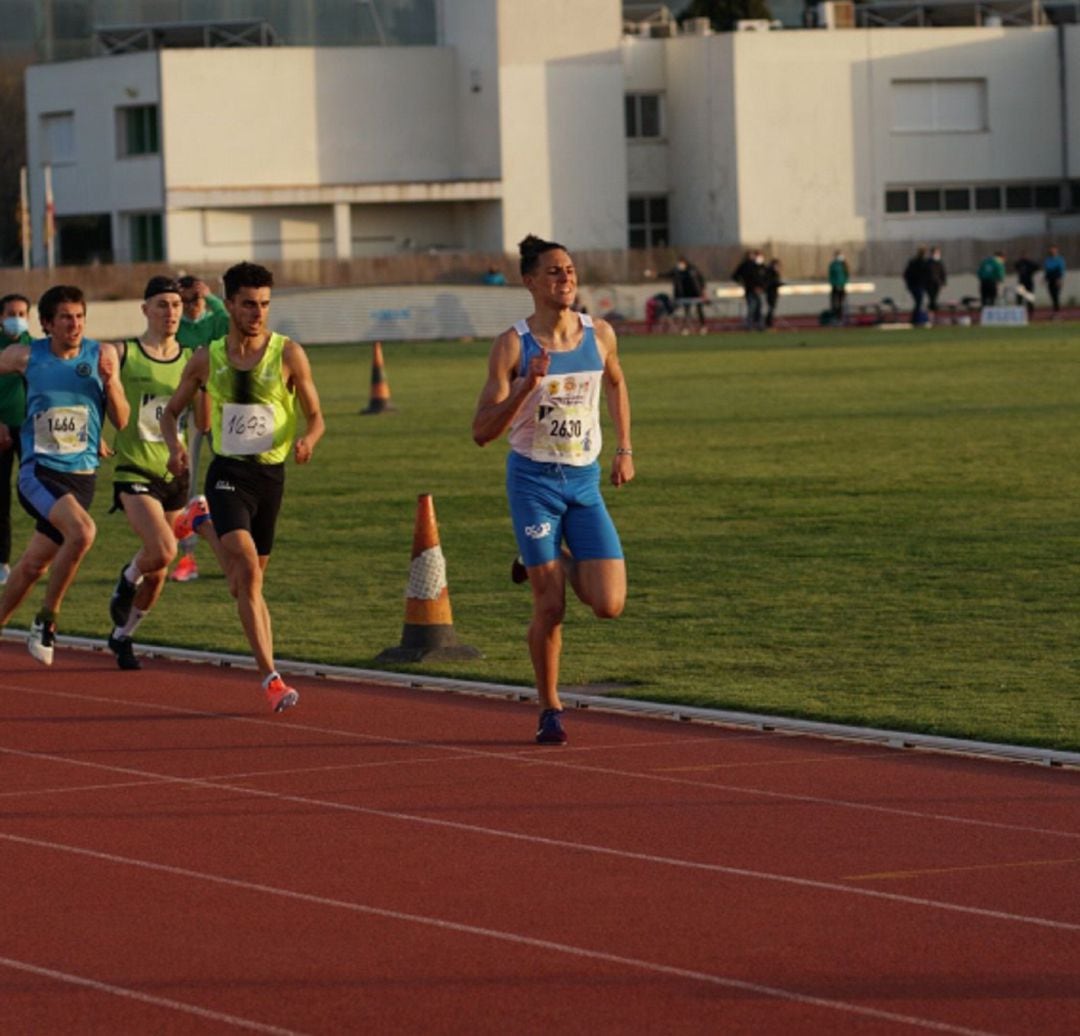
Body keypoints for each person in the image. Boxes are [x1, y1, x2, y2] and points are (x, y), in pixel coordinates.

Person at [471, 234, 634, 746]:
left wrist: (624, 448)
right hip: (534, 482)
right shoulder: (514, 345)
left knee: (609, 604)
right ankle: (549, 707)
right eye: (554, 272)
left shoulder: (599, 333)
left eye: (570, 270)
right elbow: (481, 431)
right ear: (530, 282)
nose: (566, 279)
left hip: (584, 482)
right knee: (551, 606)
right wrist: (525, 386)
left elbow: (615, 381)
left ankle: (546, 557)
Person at [161, 261, 325, 714]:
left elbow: (316, 417)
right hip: (228, 473)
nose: (258, 313)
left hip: (270, 479)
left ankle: (200, 523)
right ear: (229, 303)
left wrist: (309, 440)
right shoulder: (206, 358)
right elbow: (171, 412)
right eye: (249, 304)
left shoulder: (288, 353)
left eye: (265, 305)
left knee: (242, 586)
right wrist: (176, 448)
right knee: (248, 569)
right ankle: (271, 677)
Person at [0, 285, 129, 664]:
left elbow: (121, 419)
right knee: (84, 531)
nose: (74, 325)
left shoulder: (102, 355)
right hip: (39, 472)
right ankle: (47, 619)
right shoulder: (25, 356)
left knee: (31, 566)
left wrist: (111, 382)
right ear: (47, 325)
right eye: (65, 318)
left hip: (82, 476)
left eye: (79, 317)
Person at [104, 276, 204, 671]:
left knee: (160, 573)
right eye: (162, 305)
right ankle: (126, 580)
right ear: (145, 309)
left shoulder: (190, 359)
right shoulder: (126, 354)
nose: (171, 312)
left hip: (174, 475)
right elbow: (99, 387)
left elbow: (203, 420)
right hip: (134, 469)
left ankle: (122, 635)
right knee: (164, 549)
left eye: (177, 305)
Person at [172, 275, 230, 583]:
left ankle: (234, 553)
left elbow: (227, 319)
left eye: (198, 298)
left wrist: (212, 298)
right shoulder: (177, 327)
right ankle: (187, 556)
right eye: (187, 300)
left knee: (231, 482)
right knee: (187, 483)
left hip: (220, 408)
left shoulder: (216, 320)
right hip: (186, 410)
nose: (194, 305)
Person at [0, 293, 32, 586]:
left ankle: (43, 554)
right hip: (1, 426)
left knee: (37, 491)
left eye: (22, 313)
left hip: (29, 428)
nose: (17, 318)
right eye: (12, 313)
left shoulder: (34, 346)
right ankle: (2, 561)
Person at [665, 256, 708, 333]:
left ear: (685, 263)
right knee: (687, 312)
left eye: (681, 263)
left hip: (696, 293)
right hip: (685, 295)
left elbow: (701, 280)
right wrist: (656, 274)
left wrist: (703, 292)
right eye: (679, 263)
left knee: (699, 310)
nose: (680, 265)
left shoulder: (693, 270)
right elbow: (667, 274)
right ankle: (686, 328)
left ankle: (703, 327)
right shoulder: (677, 271)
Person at [731, 250, 767, 331]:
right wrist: (745, 284)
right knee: (752, 307)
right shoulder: (746, 266)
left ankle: (758, 325)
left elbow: (763, 277)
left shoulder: (758, 266)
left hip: (756, 289)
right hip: (751, 290)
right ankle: (751, 325)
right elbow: (736, 277)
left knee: (758, 307)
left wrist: (761, 287)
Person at [1014, 253, 1039, 318]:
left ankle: (1030, 313)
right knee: (1019, 298)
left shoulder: (1030, 263)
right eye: (1022, 255)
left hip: (1029, 283)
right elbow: (1015, 266)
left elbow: (1037, 267)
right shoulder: (1019, 263)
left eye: (1024, 255)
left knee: (1029, 299)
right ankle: (1018, 313)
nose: (1023, 257)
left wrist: (1031, 271)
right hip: (1021, 284)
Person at [827, 251, 849, 323]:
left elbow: (846, 276)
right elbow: (831, 276)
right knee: (834, 303)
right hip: (834, 286)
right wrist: (835, 284)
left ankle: (841, 317)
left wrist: (842, 284)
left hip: (842, 287)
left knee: (841, 303)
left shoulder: (844, 265)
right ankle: (834, 317)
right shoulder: (833, 265)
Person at [1043, 245, 1066, 315]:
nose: (1052, 251)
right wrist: (1044, 278)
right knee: (1052, 295)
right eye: (1051, 250)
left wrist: (1060, 280)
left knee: (1056, 295)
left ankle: (1057, 312)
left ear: (1056, 250)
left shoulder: (1060, 259)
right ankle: (1055, 311)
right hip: (1050, 280)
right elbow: (1047, 271)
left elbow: (1061, 270)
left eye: (1054, 250)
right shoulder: (1047, 260)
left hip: (1057, 280)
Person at [925, 247, 947, 315]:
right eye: (936, 253)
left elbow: (943, 273)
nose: (937, 254)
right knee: (932, 298)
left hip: (937, 283)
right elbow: (925, 273)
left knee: (934, 298)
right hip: (929, 284)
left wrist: (943, 282)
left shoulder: (939, 263)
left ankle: (932, 311)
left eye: (938, 253)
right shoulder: (928, 262)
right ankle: (932, 311)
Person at [763, 257, 783, 329]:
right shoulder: (769, 272)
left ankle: (769, 322)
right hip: (770, 292)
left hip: (774, 292)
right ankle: (768, 323)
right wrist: (777, 283)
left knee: (772, 308)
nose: (778, 267)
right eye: (777, 265)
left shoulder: (775, 272)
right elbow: (769, 282)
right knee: (771, 308)